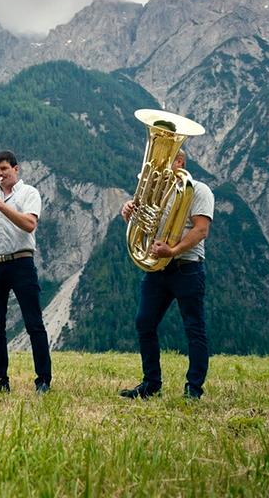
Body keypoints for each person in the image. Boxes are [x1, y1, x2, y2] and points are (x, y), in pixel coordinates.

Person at [118, 149, 214, 400]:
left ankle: (194, 388)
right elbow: (145, 222)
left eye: (166, 160)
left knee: (194, 327)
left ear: (179, 162)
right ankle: (151, 384)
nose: (158, 166)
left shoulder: (199, 190)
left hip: (187, 267)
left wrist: (172, 249)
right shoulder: (155, 191)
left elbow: (201, 230)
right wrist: (130, 211)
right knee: (144, 322)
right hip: (158, 269)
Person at [0, 150, 51, 394]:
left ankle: (43, 380)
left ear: (16, 169)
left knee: (33, 323)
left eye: (4, 169)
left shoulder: (29, 193)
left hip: (21, 262)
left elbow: (29, 224)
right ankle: (0, 381)